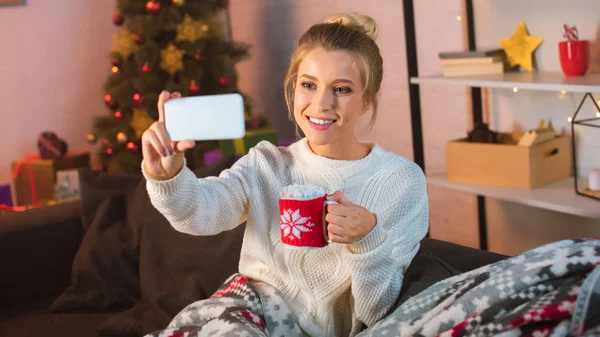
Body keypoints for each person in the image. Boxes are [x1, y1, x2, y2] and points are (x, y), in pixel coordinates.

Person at [141, 12, 429, 337]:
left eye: (342, 89)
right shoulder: (267, 164)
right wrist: (168, 176)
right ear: (293, 89)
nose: (321, 103)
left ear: (365, 102)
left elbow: (378, 314)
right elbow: (199, 212)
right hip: (247, 308)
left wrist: (368, 241)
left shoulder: (401, 182)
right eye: (308, 85)